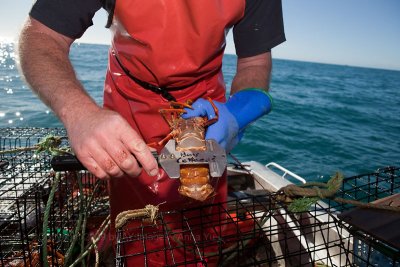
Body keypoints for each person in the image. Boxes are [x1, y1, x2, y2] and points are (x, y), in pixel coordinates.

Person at [18, 0, 285, 264]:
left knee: (201, 214)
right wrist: (79, 112)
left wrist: (239, 110)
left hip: (204, 106)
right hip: (130, 96)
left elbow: (254, 64)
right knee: (133, 214)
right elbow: (42, 35)